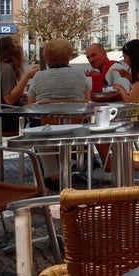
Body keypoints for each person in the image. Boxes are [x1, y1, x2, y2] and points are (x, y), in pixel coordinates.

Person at [27, 38, 91, 191]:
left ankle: (53, 173)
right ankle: (73, 165)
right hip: (75, 130)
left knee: (37, 126)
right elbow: (87, 102)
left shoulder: (39, 77)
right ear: (68, 56)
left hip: (47, 131)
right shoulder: (80, 75)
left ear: (46, 57)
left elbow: (31, 105)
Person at [85, 43, 131, 181]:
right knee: (90, 124)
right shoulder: (104, 70)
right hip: (113, 113)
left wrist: (95, 97)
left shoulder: (115, 68)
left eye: (93, 55)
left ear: (104, 53)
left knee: (93, 129)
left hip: (120, 114)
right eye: (88, 57)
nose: (91, 60)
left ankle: (109, 170)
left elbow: (123, 91)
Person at [0, 36, 39, 135]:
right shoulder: (6, 68)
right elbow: (9, 99)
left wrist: (20, 94)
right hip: (6, 119)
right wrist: (26, 77)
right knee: (41, 121)